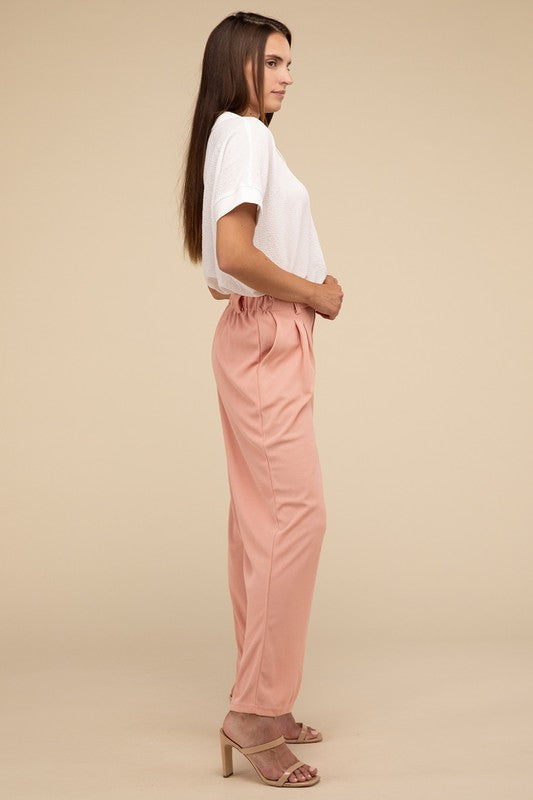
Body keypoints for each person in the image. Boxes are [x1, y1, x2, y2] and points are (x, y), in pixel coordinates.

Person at [179, 11, 343, 788]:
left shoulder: (225, 132)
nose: (285, 74)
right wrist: (315, 291)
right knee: (292, 519)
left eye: (288, 61)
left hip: (252, 335)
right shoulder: (245, 133)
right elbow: (237, 252)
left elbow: (221, 263)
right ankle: (253, 711)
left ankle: (263, 702)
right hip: (270, 332)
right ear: (238, 63)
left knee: (260, 524)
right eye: (273, 60)